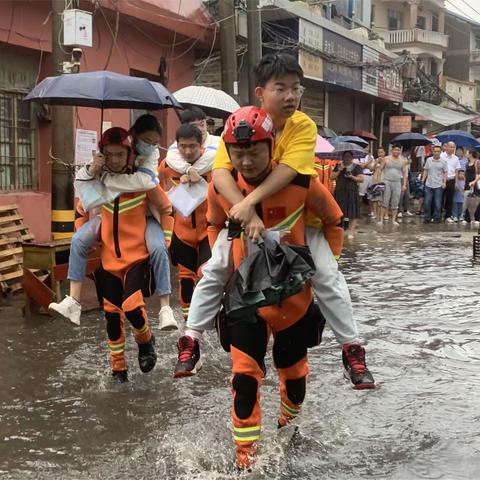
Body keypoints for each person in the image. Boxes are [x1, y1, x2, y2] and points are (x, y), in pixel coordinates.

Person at [173, 54, 375, 390]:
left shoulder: (302, 126)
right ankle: (191, 338)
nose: (290, 96)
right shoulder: (240, 124)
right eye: (280, 88)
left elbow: (289, 173)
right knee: (215, 269)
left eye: (296, 88)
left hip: (297, 224)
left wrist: (249, 204)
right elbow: (221, 175)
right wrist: (246, 211)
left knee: (327, 275)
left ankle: (351, 348)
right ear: (260, 93)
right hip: (245, 224)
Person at [206, 106, 342, 470]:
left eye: (255, 152)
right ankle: (245, 463)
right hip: (245, 303)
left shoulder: (302, 183)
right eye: (239, 153)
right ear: (229, 153)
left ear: (272, 147)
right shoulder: (222, 186)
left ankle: (288, 430)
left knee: (294, 378)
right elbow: (212, 225)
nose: (247, 161)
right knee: (244, 380)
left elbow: (334, 221)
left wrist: (323, 267)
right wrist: (224, 269)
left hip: (293, 300)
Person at [48, 115, 176, 330]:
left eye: (154, 143)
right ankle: (73, 301)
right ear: (134, 138)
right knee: (78, 241)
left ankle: (165, 308)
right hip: (108, 243)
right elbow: (82, 201)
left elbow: (153, 190)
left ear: (128, 153)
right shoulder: (101, 168)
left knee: (157, 250)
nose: (114, 159)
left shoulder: (146, 161)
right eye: (146, 141)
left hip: (143, 229)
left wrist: (167, 236)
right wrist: (93, 170)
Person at [75, 128, 171, 382]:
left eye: (120, 154)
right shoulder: (97, 180)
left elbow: (166, 209)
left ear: (129, 154)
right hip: (107, 261)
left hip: (137, 257)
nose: (114, 160)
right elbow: (81, 210)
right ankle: (118, 369)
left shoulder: (142, 182)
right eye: (109, 154)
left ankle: (145, 340)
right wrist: (87, 238)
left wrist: (165, 242)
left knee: (132, 307)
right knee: (111, 316)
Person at [159, 124, 212, 319]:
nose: (188, 151)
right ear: (176, 145)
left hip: (208, 230)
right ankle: (188, 328)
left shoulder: (213, 164)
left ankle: (210, 318)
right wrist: (170, 194)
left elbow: (225, 190)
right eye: (183, 146)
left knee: (207, 274)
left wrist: (202, 182)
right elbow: (154, 188)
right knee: (185, 278)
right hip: (182, 232)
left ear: (201, 145)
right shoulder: (168, 165)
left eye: (192, 146)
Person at [166, 107, 220, 177]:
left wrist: (191, 173)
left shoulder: (218, 141)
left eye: (202, 124)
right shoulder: (180, 142)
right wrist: (188, 169)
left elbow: (211, 157)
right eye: (194, 126)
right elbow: (171, 157)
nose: (200, 129)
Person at [330, 151, 364, 235]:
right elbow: (331, 177)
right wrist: (339, 171)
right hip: (340, 191)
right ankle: (340, 228)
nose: (347, 158)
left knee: (352, 210)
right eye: (345, 156)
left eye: (349, 156)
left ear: (352, 158)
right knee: (340, 210)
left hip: (352, 191)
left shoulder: (357, 167)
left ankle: (351, 230)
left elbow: (361, 179)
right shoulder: (338, 166)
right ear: (342, 157)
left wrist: (351, 177)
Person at [379, 144, 407, 226]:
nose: (397, 151)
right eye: (395, 150)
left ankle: (394, 220)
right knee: (385, 200)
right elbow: (380, 169)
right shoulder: (386, 159)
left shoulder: (403, 161)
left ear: (400, 151)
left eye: (398, 150)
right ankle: (381, 219)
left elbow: (404, 173)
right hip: (387, 181)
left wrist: (404, 184)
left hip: (397, 182)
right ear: (392, 150)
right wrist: (380, 180)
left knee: (395, 201)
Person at [421, 145, 447, 224]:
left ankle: (437, 218)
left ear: (440, 152)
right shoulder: (429, 160)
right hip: (429, 184)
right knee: (427, 202)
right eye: (435, 151)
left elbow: (445, 172)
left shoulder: (443, 162)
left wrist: (444, 182)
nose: (436, 153)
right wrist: (422, 180)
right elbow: (426, 170)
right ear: (432, 152)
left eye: (438, 151)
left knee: (438, 203)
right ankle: (427, 218)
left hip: (438, 185)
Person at [441, 141, 460, 223]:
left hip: (451, 180)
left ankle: (447, 216)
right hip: (441, 180)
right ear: (446, 147)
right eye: (450, 147)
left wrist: (456, 183)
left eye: (453, 147)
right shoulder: (441, 156)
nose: (452, 149)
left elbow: (456, 171)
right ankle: (437, 215)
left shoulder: (456, 158)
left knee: (450, 199)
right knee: (440, 198)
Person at [460, 150, 480, 225]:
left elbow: (478, 174)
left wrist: (474, 182)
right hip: (468, 184)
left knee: (477, 201)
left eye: (467, 153)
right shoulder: (467, 163)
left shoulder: (477, 162)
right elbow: (465, 175)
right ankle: (467, 218)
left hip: (475, 184)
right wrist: (464, 184)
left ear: (471, 154)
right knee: (467, 200)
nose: (466, 154)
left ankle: (477, 218)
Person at [368, 147, 386, 222]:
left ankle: (383, 214)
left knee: (383, 198)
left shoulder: (387, 160)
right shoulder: (375, 160)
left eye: (382, 152)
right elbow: (371, 169)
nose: (380, 154)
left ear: (384, 153)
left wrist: (382, 162)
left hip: (383, 179)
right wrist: (376, 162)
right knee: (375, 198)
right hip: (375, 179)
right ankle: (375, 213)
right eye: (379, 152)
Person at [397, 149, 414, 218]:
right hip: (400, 177)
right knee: (401, 194)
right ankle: (399, 210)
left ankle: (406, 209)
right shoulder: (399, 157)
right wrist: (406, 162)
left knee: (407, 194)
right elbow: (400, 166)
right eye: (408, 152)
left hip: (406, 177)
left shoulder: (407, 158)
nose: (408, 153)